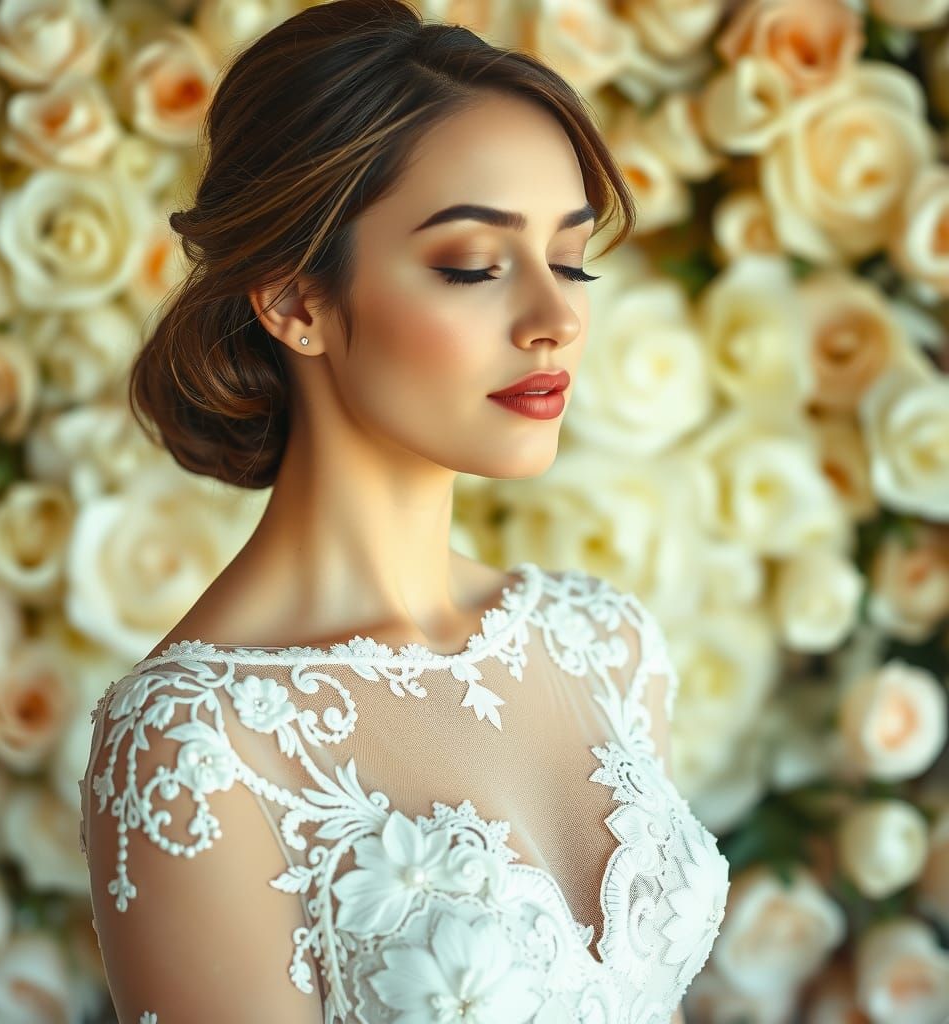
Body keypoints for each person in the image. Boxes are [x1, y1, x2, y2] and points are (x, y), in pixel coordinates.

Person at [79, 1, 731, 1021]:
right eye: (472, 265)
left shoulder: (606, 643)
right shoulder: (195, 744)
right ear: (294, 299)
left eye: (569, 259)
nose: (555, 320)